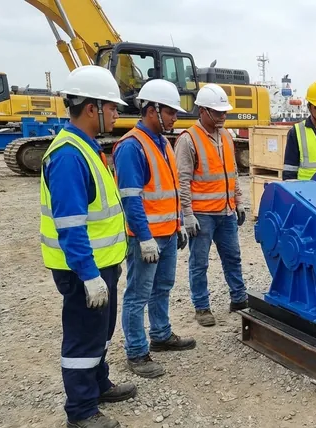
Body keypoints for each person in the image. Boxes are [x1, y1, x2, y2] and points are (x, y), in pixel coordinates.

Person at [40, 65, 135, 428]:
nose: (116, 113)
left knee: (100, 331)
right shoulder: (68, 155)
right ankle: (80, 412)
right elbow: (70, 226)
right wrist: (89, 275)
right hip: (84, 269)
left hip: (101, 264)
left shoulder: (85, 148)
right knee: (82, 338)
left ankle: (98, 384)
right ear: (92, 107)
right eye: (112, 107)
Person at [113, 79, 195, 378]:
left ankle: (161, 335)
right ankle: (136, 352)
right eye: (171, 111)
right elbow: (131, 200)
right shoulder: (132, 147)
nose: (175, 117)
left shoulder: (162, 143)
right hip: (145, 238)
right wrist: (145, 238)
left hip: (168, 233)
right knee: (137, 293)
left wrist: (179, 225)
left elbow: (168, 191)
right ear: (152, 110)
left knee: (162, 287)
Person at [173, 83, 248, 327]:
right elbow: (182, 180)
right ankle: (202, 306)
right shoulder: (188, 140)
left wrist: (238, 201)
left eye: (224, 112)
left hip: (225, 212)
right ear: (202, 111)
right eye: (217, 112)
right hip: (202, 214)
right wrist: (187, 214)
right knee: (199, 262)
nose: (223, 116)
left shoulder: (226, 137)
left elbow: (232, 173)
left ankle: (238, 298)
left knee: (233, 257)